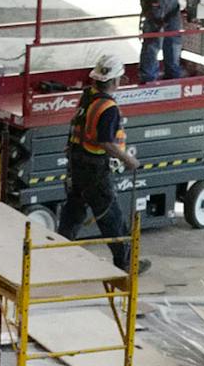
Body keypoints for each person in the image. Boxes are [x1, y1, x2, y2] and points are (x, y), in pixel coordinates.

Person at [56, 53, 148, 274]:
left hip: (77, 164)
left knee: (73, 212)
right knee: (111, 216)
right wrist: (129, 160)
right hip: (94, 169)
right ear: (116, 81)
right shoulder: (108, 107)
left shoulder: (88, 96)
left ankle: (55, 253)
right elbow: (105, 141)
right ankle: (126, 262)